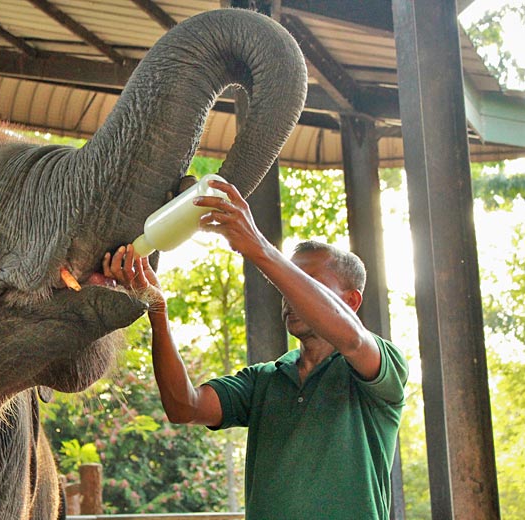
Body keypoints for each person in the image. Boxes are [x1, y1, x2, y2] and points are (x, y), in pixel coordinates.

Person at [102, 178, 408, 519]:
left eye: (306, 283)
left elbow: (351, 339)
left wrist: (259, 247)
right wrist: (157, 311)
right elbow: (184, 407)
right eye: (286, 282)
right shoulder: (265, 380)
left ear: (351, 301)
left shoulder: (382, 367)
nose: (289, 294)